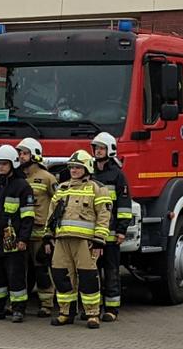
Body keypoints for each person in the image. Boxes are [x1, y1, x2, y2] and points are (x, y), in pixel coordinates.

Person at [49, 150, 109, 329]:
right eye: (72, 167)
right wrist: (47, 235)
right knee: (61, 276)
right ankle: (66, 313)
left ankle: (92, 313)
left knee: (88, 277)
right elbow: (52, 214)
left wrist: (99, 240)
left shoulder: (97, 188)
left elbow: (104, 216)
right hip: (62, 240)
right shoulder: (62, 188)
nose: (74, 170)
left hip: (86, 242)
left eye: (78, 167)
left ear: (87, 168)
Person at [0, 145, 34, 323]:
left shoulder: (22, 186)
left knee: (15, 276)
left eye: (4, 164)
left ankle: (18, 309)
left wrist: (23, 239)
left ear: (13, 164)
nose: (0, 167)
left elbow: (27, 216)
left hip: (13, 240)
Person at [89, 132, 132, 322]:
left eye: (101, 148)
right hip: (93, 233)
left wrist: (122, 229)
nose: (98, 152)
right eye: (96, 148)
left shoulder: (118, 175)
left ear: (110, 150)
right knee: (93, 271)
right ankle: (94, 308)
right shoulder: (90, 173)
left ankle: (112, 309)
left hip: (112, 234)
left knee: (112, 270)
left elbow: (124, 205)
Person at [17, 137, 59, 318]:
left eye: (25, 153)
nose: (21, 157)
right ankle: (20, 304)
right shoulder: (18, 177)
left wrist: (52, 234)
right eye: (19, 153)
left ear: (34, 155)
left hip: (41, 232)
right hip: (21, 232)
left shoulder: (47, 178)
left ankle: (47, 304)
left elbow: (58, 204)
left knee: (42, 269)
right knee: (21, 270)